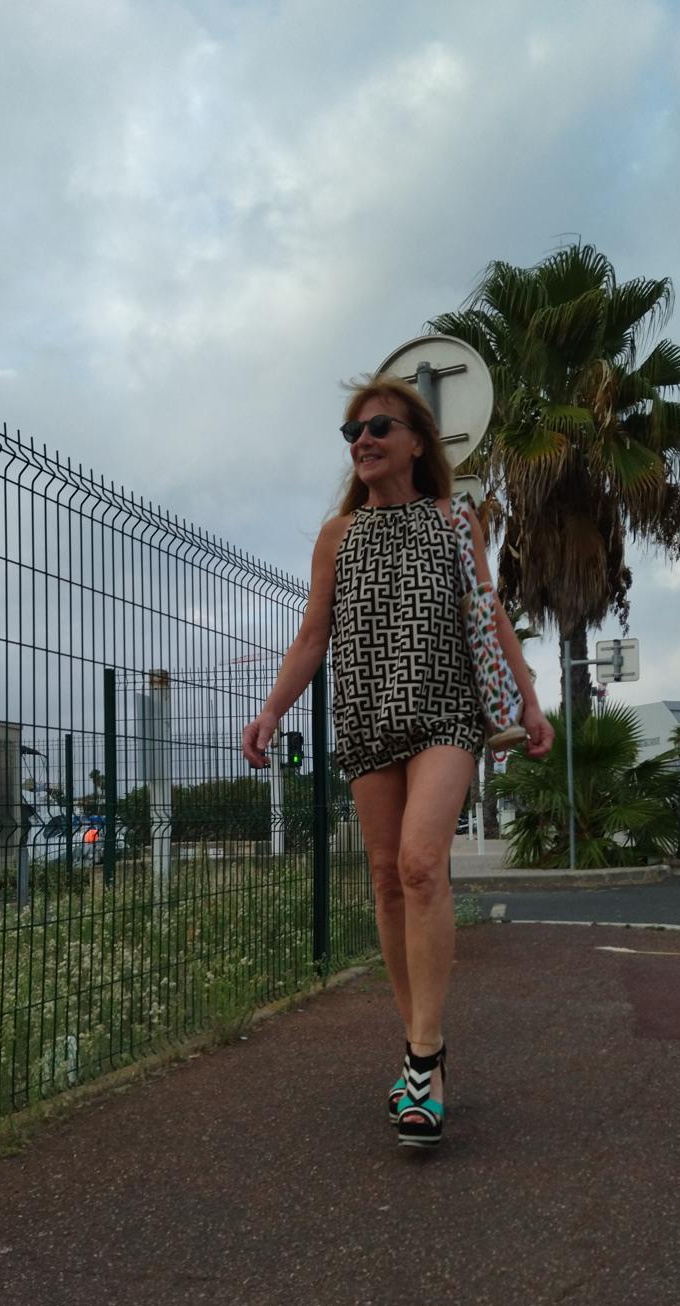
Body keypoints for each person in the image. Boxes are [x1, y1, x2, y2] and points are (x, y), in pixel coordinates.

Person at [241, 376, 552, 1149]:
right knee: (384, 877)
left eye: (379, 427)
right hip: (365, 715)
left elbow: (487, 611)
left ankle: (421, 1056)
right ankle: (422, 1047)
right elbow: (313, 635)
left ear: (416, 442)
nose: (364, 441)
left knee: (418, 864)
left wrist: (528, 699)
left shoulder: (454, 519)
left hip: (445, 712)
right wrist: (272, 710)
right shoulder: (336, 536)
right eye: (352, 432)